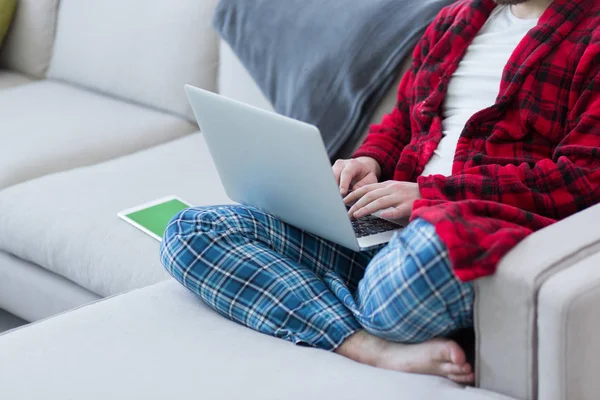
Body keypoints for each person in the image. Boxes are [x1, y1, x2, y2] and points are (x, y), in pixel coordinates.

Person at [160, 0, 600, 384]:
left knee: (397, 286)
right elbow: (401, 122)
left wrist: (429, 196)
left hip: (459, 231)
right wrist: (367, 160)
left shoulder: (592, 36)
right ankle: (363, 344)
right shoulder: (456, 21)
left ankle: (316, 295)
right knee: (190, 233)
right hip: (384, 223)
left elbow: (582, 178)